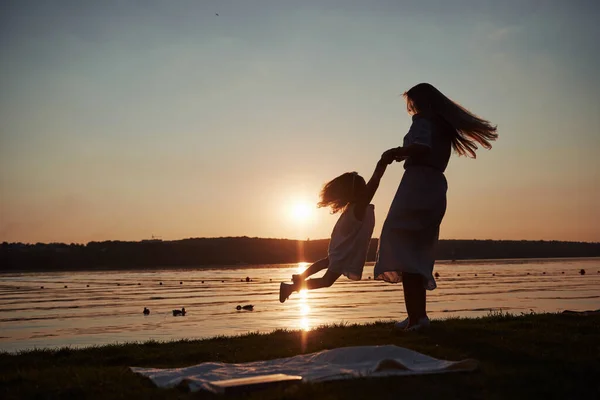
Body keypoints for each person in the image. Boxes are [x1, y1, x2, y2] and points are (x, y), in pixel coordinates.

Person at [375, 83, 498, 331]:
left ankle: (417, 317)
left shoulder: (423, 121)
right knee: (416, 248)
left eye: (412, 102)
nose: (412, 108)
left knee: (402, 245)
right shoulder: (442, 124)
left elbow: (421, 147)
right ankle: (417, 316)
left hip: (417, 183)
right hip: (434, 185)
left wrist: (395, 152)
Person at [279, 155, 393, 303]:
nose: (366, 189)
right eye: (363, 187)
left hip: (339, 249)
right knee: (326, 281)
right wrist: (382, 163)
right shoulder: (358, 208)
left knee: (327, 261)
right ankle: (290, 288)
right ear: (358, 192)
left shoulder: (351, 209)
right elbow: (375, 183)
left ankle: (300, 278)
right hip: (343, 252)